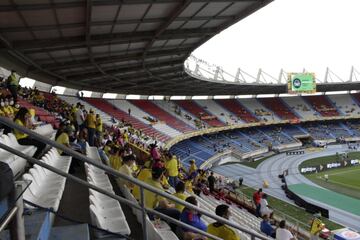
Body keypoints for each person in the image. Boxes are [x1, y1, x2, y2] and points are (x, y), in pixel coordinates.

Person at [143, 165, 180, 231]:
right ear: (161, 175)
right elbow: (165, 206)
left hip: (143, 205)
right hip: (150, 211)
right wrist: (173, 205)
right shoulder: (158, 188)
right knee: (177, 212)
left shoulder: (147, 179)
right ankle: (173, 230)